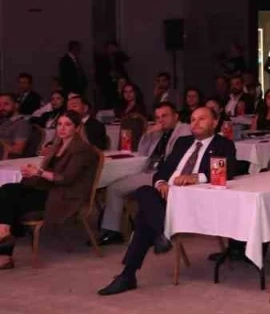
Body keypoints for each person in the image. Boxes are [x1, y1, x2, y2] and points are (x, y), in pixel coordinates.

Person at [97, 107, 239, 295]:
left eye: (202, 119)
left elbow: (229, 171)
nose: (196, 123)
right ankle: (158, 237)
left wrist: (197, 177)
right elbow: (163, 170)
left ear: (214, 122)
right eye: (193, 119)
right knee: (145, 191)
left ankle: (131, 271)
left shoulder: (223, 144)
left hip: (192, 201)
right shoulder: (182, 142)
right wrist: (162, 183)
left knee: (144, 218)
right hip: (167, 197)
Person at [0, 111, 99, 270]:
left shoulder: (82, 149)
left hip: (66, 197)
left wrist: (39, 172)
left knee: (10, 199)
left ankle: (4, 253)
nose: (62, 128)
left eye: (67, 124)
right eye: (59, 124)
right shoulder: (57, 146)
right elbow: (48, 175)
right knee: (7, 189)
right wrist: (31, 173)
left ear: (77, 128)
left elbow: (66, 178)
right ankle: (3, 234)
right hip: (50, 190)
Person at [98, 102, 190, 246]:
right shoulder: (160, 132)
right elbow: (143, 153)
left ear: (175, 116)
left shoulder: (184, 130)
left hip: (165, 175)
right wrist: (148, 134)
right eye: (158, 117)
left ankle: (113, 230)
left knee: (115, 188)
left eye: (165, 116)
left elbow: (175, 158)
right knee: (115, 183)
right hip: (149, 171)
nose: (161, 120)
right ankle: (115, 228)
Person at [0, 93, 36, 158]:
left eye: (6, 104)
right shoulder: (4, 122)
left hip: (9, 160)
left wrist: (1, 144)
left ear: (16, 105)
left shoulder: (22, 124)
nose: (1, 108)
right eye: (0, 105)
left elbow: (18, 151)